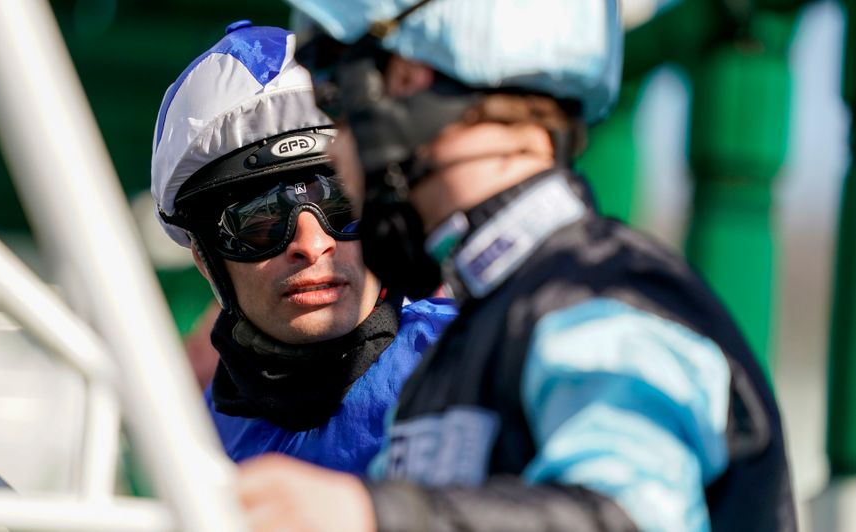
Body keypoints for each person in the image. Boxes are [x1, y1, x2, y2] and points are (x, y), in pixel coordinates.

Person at [235, 1, 798, 531]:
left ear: (406, 78)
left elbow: (631, 515)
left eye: (336, 103)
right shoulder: (487, 323)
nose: (338, 153)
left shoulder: (604, 296)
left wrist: (370, 514)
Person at [150, 21, 456, 474]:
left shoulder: (470, 362)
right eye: (260, 219)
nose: (312, 246)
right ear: (204, 258)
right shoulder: (196, 436)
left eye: (342, 203)